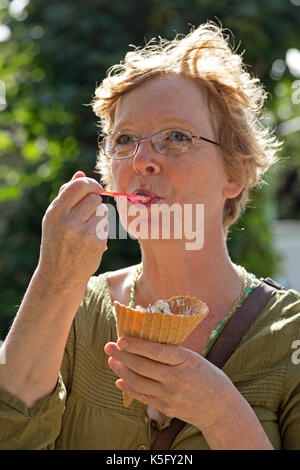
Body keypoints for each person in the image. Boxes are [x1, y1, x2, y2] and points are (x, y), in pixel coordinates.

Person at [0, 22, 300, 451]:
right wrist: (54, 277)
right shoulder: (72, 312)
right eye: (124, 140)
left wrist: (223, 414)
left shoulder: (291, 333)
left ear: (234, 172)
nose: (142, 160)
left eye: (176, 137)